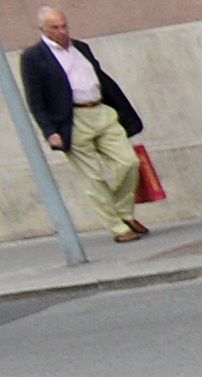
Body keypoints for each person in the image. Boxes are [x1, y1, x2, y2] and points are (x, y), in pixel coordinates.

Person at [19, 6, 145, 243]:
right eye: (55, 28)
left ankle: (123, 212)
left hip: (100, 111)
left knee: (129, 163)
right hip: (72, 121)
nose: (62, 31)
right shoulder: (33, 58)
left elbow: (100, 78)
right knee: (93, 178)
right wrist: (50, 131)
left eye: (64, 25)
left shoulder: (81, 48)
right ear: (42, 29)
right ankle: (118, 227)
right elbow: (35, 100)